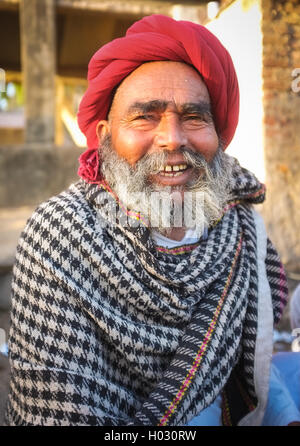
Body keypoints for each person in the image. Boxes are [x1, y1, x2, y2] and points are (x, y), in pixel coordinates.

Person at [5, 14, 300, 426]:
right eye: (145, 116)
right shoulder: (58, 236)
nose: (173, 138)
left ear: (218, 137)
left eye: (195, 117)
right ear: (106, 135)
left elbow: (252, 369)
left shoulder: (241, 226)